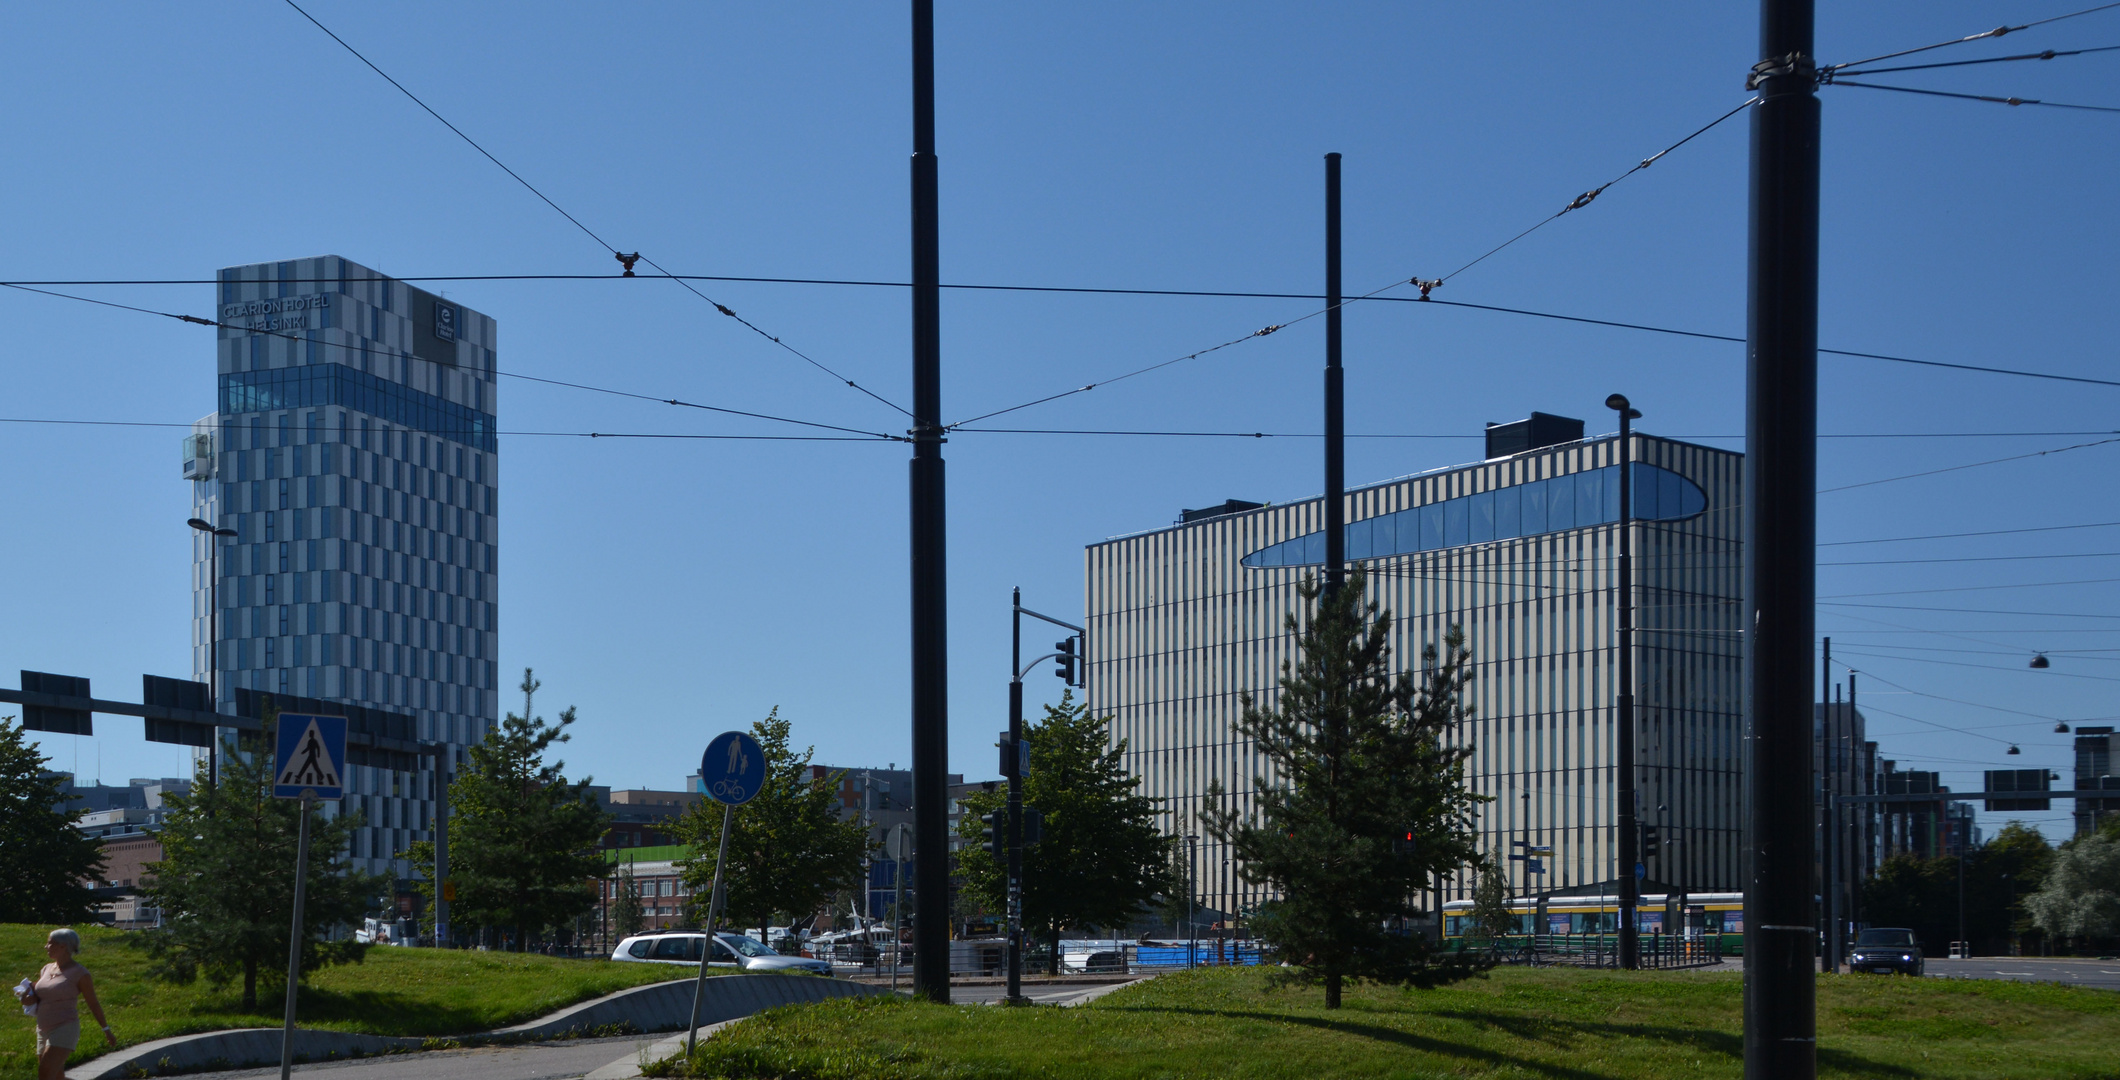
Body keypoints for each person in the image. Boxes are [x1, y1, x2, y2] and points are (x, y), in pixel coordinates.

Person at [16, 928, 116, 1080]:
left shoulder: (80, 973)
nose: (46, 946)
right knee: (57, 1077)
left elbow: (93, 1003)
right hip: (43, 1028)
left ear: (63, 946)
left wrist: (106, 1030)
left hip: (65, 1027)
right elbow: (37, 995)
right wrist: (25, 997)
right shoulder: (47, 969)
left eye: (50, 943)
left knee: (45, 1073)